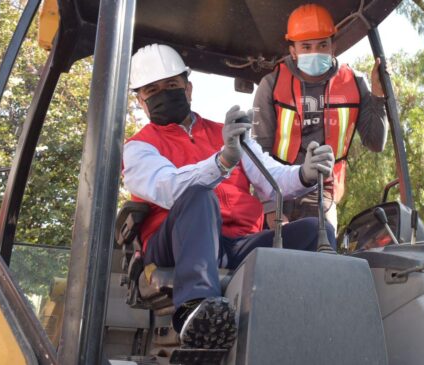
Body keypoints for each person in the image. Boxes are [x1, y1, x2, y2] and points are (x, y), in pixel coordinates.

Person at [122, 43, 336, 350]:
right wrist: (221, 161)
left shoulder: (230, 133)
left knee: (316, 232)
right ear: (141, 102)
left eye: (172, 85)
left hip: (236, 244)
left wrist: (305, 173)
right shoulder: (138, 148)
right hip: (173, 244)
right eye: (152, 90)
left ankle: (311, 324)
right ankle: (196, 311)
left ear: (189, 88)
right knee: (199, 196)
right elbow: (169, 187)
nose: (163, 93)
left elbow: (272, 178)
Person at [252, 3, 388, 230]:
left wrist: (377, 95)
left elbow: (375, 143)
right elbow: (259, 151)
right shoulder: (272, 85)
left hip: (323, 193)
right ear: (293, 51)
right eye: (306, 46)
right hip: (280, 191)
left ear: (333, 46)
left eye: (322, 44)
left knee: (323, 256)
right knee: (275, 262)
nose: (315, 52)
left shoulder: (354, 83)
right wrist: (271, 208)